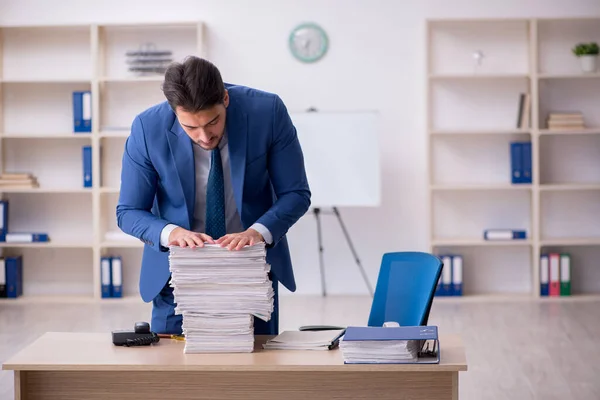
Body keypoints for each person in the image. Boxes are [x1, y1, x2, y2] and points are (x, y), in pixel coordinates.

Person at [116, 56, 311, 336]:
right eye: (190, 128)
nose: (204, 137)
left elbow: (296, 193)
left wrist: (258, 231)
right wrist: (170, 233)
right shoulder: (148, 128)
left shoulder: (267, 113)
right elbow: (128, 211)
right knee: (173, 373)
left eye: (212, 122)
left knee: (256, 369)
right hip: (179, 276)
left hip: (250, 271)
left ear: (226, 99)